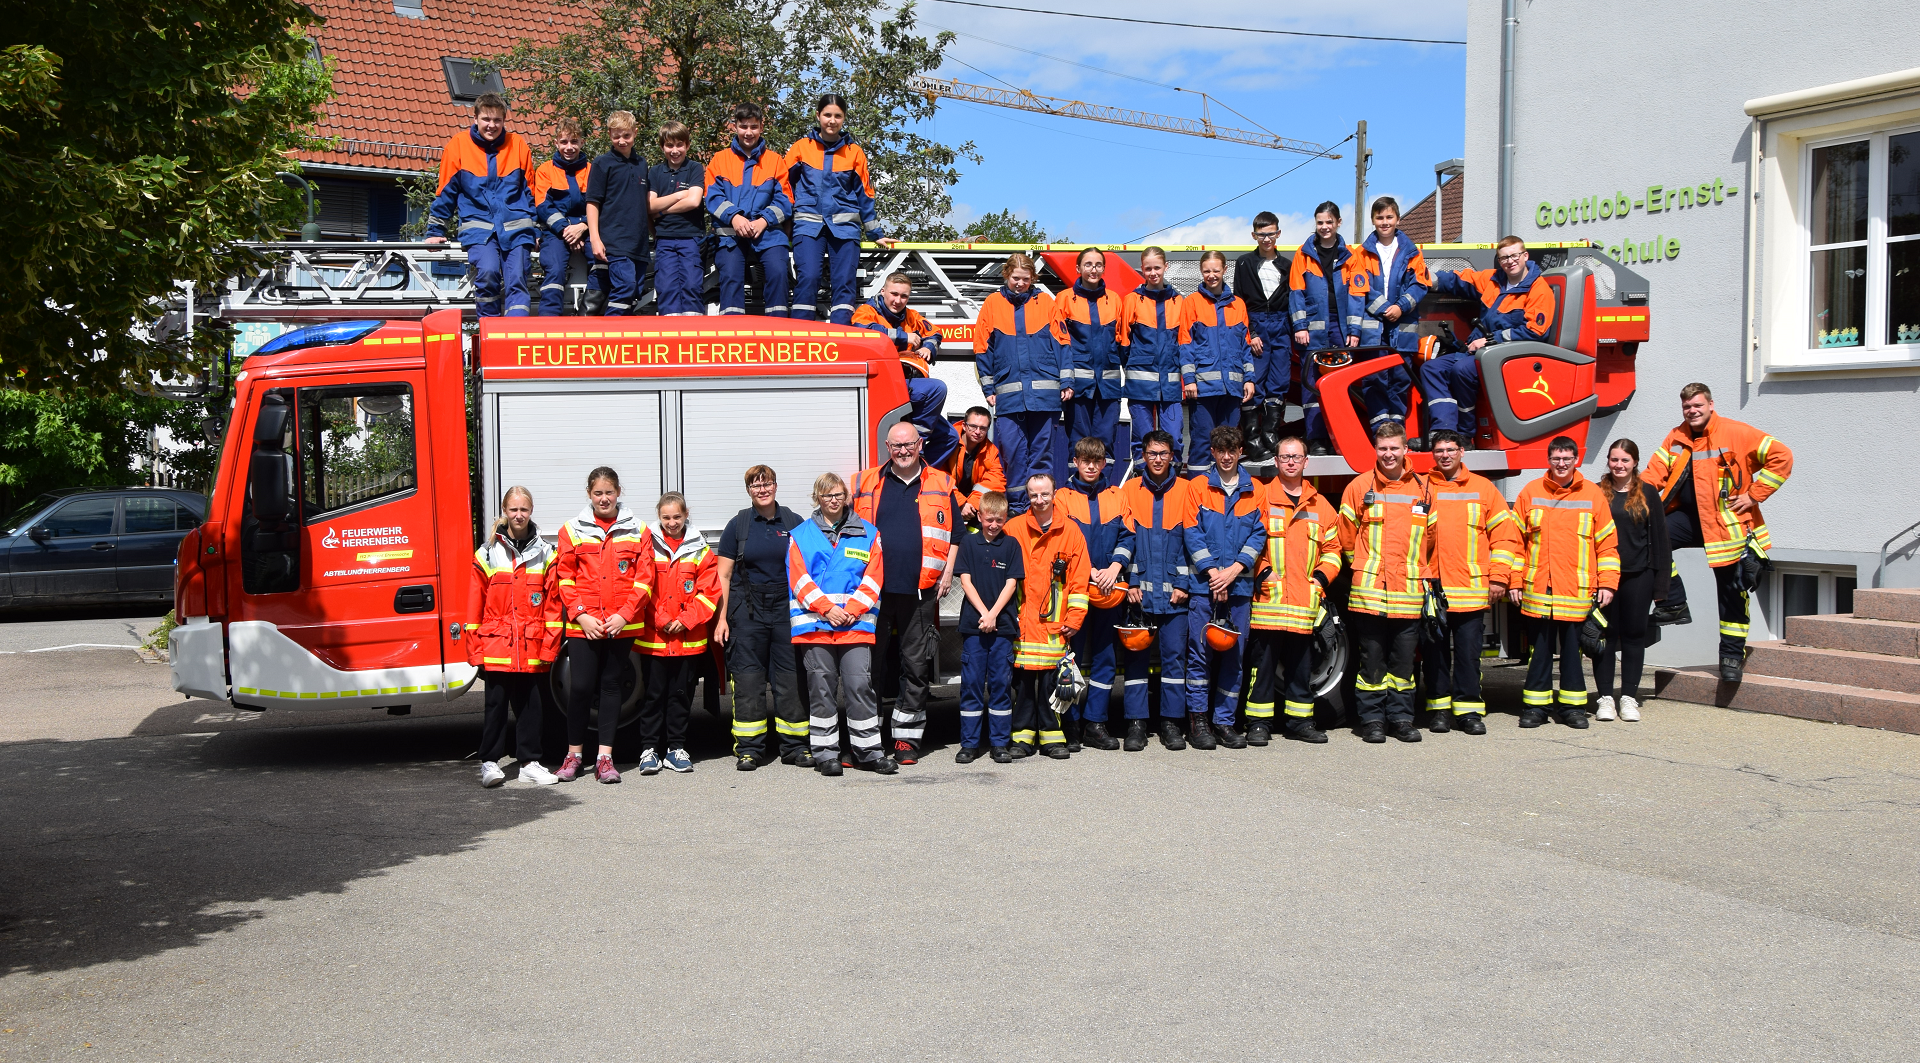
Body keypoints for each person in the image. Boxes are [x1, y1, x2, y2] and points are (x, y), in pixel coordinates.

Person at [1642, 382, 1790, 682]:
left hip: (1727, 525)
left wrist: (1755, 495)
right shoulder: (1676, 436)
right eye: (1687, 407)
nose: (1692, 411)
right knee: (1650, 539)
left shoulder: (1737, 432)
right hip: (1686, 519)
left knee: (1732, 592)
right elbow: (1652, 476)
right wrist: (1624, 499)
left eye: (1697, 405)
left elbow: (1782, 456)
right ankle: (1672, 605)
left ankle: (1731, 658)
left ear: (1711, 404)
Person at [851, 423, 959, 766]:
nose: (902, 451)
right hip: (873, 591)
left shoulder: (941, 482)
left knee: (915, 666)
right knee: (869, 667)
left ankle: (906, 740)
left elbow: (955, 534)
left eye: (908, 444)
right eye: (896, 446)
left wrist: (947, 571)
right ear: (887, 446)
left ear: (920, 444)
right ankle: (866, 741)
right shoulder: (865, 482)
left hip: (921, 590)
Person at [788, 473, 893, 776]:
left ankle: (869, 752)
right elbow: (799, 579)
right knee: (821, 689)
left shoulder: (869, 534)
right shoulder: (800, 535)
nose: (833, 501)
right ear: (816, 499)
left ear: (847, 496)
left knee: (860, 686)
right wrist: (828, 609)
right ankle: (826, 753)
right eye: (826, 496)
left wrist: (852, 610)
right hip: (815, 625)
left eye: (838, 495)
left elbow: (874, 578)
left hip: (855, 623)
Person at [554, 466, 655, 783]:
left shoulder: (638, 530)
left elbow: (645, 579)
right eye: (598, 493)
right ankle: (573, 756)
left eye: (609, 492)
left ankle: (605, 759)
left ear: (618, 492)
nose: (604, 498)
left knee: (612, 687)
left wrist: (624, 615)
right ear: (589, 494)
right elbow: (565, 578)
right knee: (581, 688)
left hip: (619, 625)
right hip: (584, 624)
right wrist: (582, 615)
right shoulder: (571, 530)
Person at [1510, 436, 1619, 728]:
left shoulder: (1593, 495)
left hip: (1576, 590)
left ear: (1576, 461)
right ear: (1549, 460)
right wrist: (1513, 581)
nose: (1561, 464)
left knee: (1573, 653)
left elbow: (1607, 543)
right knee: (1539, 652)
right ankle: (1536, 709)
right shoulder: (1531, 492)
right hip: (1538, 589)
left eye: (1567, 459)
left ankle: (1572, 710)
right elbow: (1514, 542)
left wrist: (1608, 583)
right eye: (1556, 459)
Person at [1336, 421, 1435, 743]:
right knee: (1372, 664)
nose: (1389, 454)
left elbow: (1431, 539)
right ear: (1375, 451)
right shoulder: (1359, 487)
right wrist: (1362, 567)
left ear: (1406, 450)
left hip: (1407, 594)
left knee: (1403, 665)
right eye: (1383, 449)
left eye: (1394, 448)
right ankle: (1373, 720)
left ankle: (1403, 719)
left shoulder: (1423, 489)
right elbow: (1346, 536)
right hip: (1370, 594)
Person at [1419, 429, 1521, 734]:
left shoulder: (1484, 489)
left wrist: (1500, 578)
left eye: (1450, 449)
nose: (1445, 455)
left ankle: (1469, 712)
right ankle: (1438, 711)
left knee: (1468, 656)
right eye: (1439, 451)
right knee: (1434, 656)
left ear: (1462, 452)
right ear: (1433, 455)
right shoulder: (1422, 488)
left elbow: (1505, 537)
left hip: (1471, 590)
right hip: (1433, 590)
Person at [1245, 438, 1342, 744]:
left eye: (1295, 457)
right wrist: (1261, 572)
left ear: (1305, 462)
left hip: (1304, 604)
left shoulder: (1320, 505)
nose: (1290, 462)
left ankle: (1301, 723)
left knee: (1302, 668)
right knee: (1262, 668)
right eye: (1285, 457)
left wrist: (1321, 579)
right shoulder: (1260, 498)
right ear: (1275, 461)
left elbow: (1334, 549)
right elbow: (1247, 539)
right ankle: (1258, 724)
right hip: (1268, 603)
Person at [716, 466, 811, 769]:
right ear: (748, 491)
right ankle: (750, 749)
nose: (762, 489)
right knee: (747, 679)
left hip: (786, 609)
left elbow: (809, 566)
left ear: (775, 486)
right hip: (747, 612)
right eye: (755, 485)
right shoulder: (738, 525)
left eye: (766, 483)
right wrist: (722, 619)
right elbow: (724, 574)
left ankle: (795, 747)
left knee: (790, 678)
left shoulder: (794, 522)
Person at [467, 486, 562, 787]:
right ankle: (490, 763)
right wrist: (475, 649)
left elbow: (554, 604)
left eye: (524, 510)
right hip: (497, 643)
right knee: (495, 705)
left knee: (531, 706)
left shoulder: (546, 553)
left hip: (531, 644)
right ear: (505, 512)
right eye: (513, 510)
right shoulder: (487, 552)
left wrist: (550, 648)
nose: (518, 515)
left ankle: (529, 763)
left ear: (531, 511)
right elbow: (474, 604)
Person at [1183, 425, 1266, 750]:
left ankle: (1225, 722)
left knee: (1235, 657)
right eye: (1221, 451)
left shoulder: (1255, 489)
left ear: (1240, 451)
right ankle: (1199, 721)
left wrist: (1232, 571)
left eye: (1233, 450)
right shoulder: (1198, 487)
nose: (1227, 456)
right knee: (1200, 655)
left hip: (1239, 587)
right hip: (1205, 586)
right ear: (1213, 452)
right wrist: (1213, 573)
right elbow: (1191, 532)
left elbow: (1258, 534)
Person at [1427, 236, 1556, 442]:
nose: (1509, 261)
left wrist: (1489, 341)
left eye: (1514, 255)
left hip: (1509, 355)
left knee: (1462, 371)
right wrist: (1427, 277)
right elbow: (1461, 280)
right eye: (1504, 258)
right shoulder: (1493, 280)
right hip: (1480, 350)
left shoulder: (1539, 290)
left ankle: (1465, 435)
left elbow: (1535, 332)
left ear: (1525, 256)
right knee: (1432, 368)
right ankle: (1444, 431)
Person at [1118, 430, 1199, 749]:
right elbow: (1126, 540)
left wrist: (1183, 584)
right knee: (1135, 662)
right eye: (1152, 453)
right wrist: (1132, 581)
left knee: (1174, 661)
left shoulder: (1187, 490)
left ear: (1173, 457)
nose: (1157, 459)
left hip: (1175, 597)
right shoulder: (1130, 491)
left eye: (1163, 453)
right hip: (1140, 596)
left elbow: (1191, 542)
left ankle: (1170, 724)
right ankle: (1136, 725)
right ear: (1143, 455)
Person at [1056, 437, 1137, 750]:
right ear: (1075, 462)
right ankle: (1070, 723)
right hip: (1076, 588)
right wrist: (1090, 571)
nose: (1091, 466)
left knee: (1105, 658)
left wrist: (1115, 567)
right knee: (1069, 658)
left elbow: (1127, 537)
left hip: (1109, 588)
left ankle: (1096, 723)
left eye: (1097, 461)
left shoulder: (1117, 496)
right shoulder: (1062, 498)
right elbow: (1063, 541)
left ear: (1104, 464)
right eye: (1085, 460)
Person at [786, 94, 895, 323]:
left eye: (837, 116)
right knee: (808, 277)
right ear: (818, 116)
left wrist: (876, 233)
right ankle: (800, 335)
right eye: (827, 115)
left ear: (844, 118)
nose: (832, 120)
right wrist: (783, 226)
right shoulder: (801, 148)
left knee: (844, 282)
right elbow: (784, 187)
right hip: (808, 226)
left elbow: (865, 195)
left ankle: (840, 336)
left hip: (845, 229)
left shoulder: (854, 153)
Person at [974, 252, 1069, 513]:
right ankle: (1017, 509)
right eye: (1016, 278)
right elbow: (982, 349)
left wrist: (1067, 381)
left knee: (1041, 455)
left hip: (1045, 397)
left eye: (1025, 279)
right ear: (1006, 275)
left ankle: (1040, 507)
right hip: (1008, 398)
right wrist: (988, 389)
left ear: (1033, 278)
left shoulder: (1047, 303)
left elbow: (1062, 343)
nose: (1020, 283)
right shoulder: (992, 303)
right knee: (1012, 455)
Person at [425, 92, 535, 318]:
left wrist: (535, 229)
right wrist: (435, 231)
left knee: (518, 279)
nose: (492, 125)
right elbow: (446, 192)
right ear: (475, 118)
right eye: (486, 119)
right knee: (488, 273)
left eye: (497, 120)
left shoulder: (518, 145)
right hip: (479, 229)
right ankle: (490, 334)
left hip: (517, 228)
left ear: (504, 120)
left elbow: (530, 192)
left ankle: (514, 339)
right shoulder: (458, 145)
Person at [1006, 474, 1090, 759]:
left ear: (1055, 494)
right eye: (1033, 495)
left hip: (1056, 625)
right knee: (1025, 686)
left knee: (1053, 686)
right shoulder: (1014, 528)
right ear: (1027, 496)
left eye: (1044, 494)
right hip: (1022, 622)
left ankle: (1053, 738)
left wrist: (1075, 618)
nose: (1039, 500)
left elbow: (1079, 581)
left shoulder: (1071, 531)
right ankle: (1021, 738)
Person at [635, 493, 717, 775]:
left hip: (687, 637)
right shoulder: (647, 545)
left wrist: (685, 620)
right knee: (653, 695)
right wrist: (662, 619)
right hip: (654, 637)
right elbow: (641, 588)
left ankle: (676, 748)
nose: (672, 523)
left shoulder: (700, 549)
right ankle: (649, 750)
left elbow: (709, 593)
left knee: (681, 695)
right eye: (666, 517)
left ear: (686, 514)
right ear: (659, 516)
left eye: (677, 517)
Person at [1594, 439, 1670, 721]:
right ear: (1608, 461)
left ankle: (1628, 697)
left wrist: (1662, 584)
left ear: (1635, 462)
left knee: (1634, 636)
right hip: (1604, 576)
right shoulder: (1596, 493)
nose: (1619, 465)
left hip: (1640, 574)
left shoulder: (1648, 492)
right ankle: (1604, 698)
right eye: (1614, 460)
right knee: (1606, 636)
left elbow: (1661, 540)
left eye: (1625, 460)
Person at [1349, 197, 1433, 445]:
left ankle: (1396, 436)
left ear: (1397, 219)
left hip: (1402, 330)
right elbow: (1359, 288)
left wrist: (1401, 307)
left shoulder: (1411, 252)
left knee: (1399, 380)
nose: (1384, 223)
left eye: (1389, 217)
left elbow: (1420, 284)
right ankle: (1379, 437)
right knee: (1374, 380)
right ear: (1373, 221)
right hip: (1373, 330)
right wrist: (1387, 308)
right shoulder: (1361, 254)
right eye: (1379, 218)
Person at [852, 272, 958, 465]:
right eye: (894, 294)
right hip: (885, 383)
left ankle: (917, 471)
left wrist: (929, 346)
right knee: (937, 388)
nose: (898, 300)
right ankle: (918, 444)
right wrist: (903, 337)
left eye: (904, 296)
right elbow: (863, 330)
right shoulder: (866, 311)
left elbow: (934, 332)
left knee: (950, 437)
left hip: (910, 384)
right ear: (883, 291)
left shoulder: (911, 315)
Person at [953, 490, 1023, 764]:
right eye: (989, 519)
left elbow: (1012, 583)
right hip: (974, 626)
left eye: (999, 520)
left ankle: (999, 744)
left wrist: (994, 615)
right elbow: (966, 582)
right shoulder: (969, 544)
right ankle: (969, 745)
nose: (994, 525)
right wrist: (984, 614)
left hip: (1002, 628)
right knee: (970, 685)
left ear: (1006, 518)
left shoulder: (1011, 545)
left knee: (1000, 685)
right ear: (979, 516)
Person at [705, 101, 794, 317]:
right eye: (743, 126)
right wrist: (734, 218)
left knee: (778, 272)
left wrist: (763, 220)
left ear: (761, 127)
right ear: (734, 127)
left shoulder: (775, 161)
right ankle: (733, 336)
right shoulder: (719, 160)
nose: (748, 132)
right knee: (731, 276)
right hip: (730, 235)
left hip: (769, 234)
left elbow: (786, 200)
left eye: (753, 127)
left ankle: (778, 331)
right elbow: (712, 196)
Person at [1177, 250, 1257, 474]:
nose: (1211, 275)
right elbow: (1185, 344)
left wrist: (1249, 380)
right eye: (1206, 271)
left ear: (1225, 270)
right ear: (1201, 272)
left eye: (1215, 270)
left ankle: (1224, 493)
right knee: (1203, 442)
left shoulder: (1238, 305)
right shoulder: (1191, 303)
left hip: (1232, 389)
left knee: (1228, 447)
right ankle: (1197, 493)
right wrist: (1189, 380)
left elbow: (1245, 346)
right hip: (1203, 389)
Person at [1053, 247, 1128, 487]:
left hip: (1108, 388)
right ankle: (1076, 491)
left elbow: (1122, 340)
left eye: (1098, 264)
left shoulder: (1115, 300)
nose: (1093, 269)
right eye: (1088, 264)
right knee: (1079, 443)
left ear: (1104, 269)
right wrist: (1065, 382)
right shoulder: (1064, 299)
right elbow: (1059, 343)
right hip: (1078, 388)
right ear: (1078, 269)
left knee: (1106, 442)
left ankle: (1105, 491)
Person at [1290, 202, 1358, 454]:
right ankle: (1316, 439)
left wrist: (1354, 330)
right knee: (1311, 384)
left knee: (1342, 382)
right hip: (1313, 330)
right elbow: (1296, 292)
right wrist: (1300, 325)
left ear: (1338, 222)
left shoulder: (1351, 255)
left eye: (1329, 222)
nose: (1324, 227)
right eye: (1320, 223)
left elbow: (1357, 296)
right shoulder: (1303, 254)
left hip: (1341, 328)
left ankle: (1342, 436)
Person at [1234, 213, 1294, 463]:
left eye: (1271, 233)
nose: (1266, 238)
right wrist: (1252, 333)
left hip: (1281, 325)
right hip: (1257, 323)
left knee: (1279, 381)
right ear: (1254, 235)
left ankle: (1271, 433)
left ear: (1278, 234)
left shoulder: (1288, 266)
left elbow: (1294, 300)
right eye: (1261, 234)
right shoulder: (1244, 263)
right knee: (1254, 382)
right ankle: (1252, 438)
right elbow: (1239, 301)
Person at [1119, 246, 1185, 471]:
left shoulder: (1179, 302)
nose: (1153, 273)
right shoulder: (1132, 300)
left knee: (1174, 437)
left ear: (1166, 267)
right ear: (1142, 270)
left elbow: (1184, 341)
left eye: (1157, 267)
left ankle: (1172, 477)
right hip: (1139, 385)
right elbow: (1124, 342)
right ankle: (1141, 476)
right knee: (1143, 438)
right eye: (1148, 268)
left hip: (1171, 385)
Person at [530, 118, 604, 316]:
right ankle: (549, 324)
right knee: (554, 269)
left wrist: (581, 226)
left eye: (574, 141)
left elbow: (600, 204)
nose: (569, 147)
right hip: (556, 232)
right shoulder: (545, 170)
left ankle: (589, 317)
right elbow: (543, 206)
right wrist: (566, 230)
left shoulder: (593, 170)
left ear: (582, 142)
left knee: (602, 263)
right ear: (556, 143)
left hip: (588, 228)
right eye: (564, 142)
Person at [585, 110, 650, 317]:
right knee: (625, 288)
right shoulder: (602, 163)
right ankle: (610, 337)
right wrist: (595, 238)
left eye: (626, 135)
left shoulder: (642, 164)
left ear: (635, 133)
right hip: (614, 240)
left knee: (635, 293)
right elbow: (592, 203)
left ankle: (623, 341)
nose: (621, 141)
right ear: (609, 135)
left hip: (639, 243)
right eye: (616, 136)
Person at [647, 120, 707, 316]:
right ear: (662, 146)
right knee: (666, 286)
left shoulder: (695, 168)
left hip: (690, 237)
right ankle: (669, 332)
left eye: (679, 145)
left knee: (691, 284)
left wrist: (663, 211)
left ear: (687, 145)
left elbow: (693, 202)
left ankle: (693, 333)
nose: (675, 150)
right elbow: (650, 206)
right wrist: (679, 195)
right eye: (669, 145)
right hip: (664, 238)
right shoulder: (655, 172)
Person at [939, 406, 1007, 527]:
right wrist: (960, 503)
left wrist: (971, 504)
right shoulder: (947, 443)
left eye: (983, 428)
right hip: (946, 501)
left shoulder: (991, 451)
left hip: (973, 508)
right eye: (973, 426)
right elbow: (939, 475)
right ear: (964, 426)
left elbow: (996, 481)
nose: (977, 432)